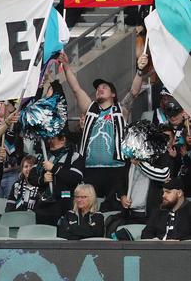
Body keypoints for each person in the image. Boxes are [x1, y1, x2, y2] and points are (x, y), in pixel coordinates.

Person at [58, 52, 149, 198]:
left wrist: (140, 71)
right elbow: (76, 89)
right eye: (97, 88)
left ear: (113, 94)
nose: (99, 89)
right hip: (90, 170)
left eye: (104, 87)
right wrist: (66, 66)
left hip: (117, 170)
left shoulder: (121, 109)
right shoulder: (90, 109)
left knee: (115, 209)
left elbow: (134, 92)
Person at [28, 131, 85, 226]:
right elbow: (31, 177)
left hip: (64, 204)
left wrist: (54, 169)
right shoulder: (43, 157)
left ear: (63, 139)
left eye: (53, 138)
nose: (49, 141)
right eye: (48, 138)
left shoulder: (74, 156)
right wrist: (43, 179)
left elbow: (75, 178)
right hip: (43, 206)